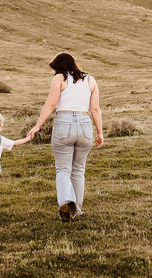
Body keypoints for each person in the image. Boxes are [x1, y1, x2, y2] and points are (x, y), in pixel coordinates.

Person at [26, 52, 103, 221]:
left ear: (58, 67)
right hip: (84, 124)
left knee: (63, 169)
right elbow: (95, 108)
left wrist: (37, 126)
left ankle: (67, 205)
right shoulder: (91, 80)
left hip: (64, 123)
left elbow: (51, 104)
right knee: (79, 170)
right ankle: (77, 210)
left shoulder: (60, 78)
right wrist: (99, 132)